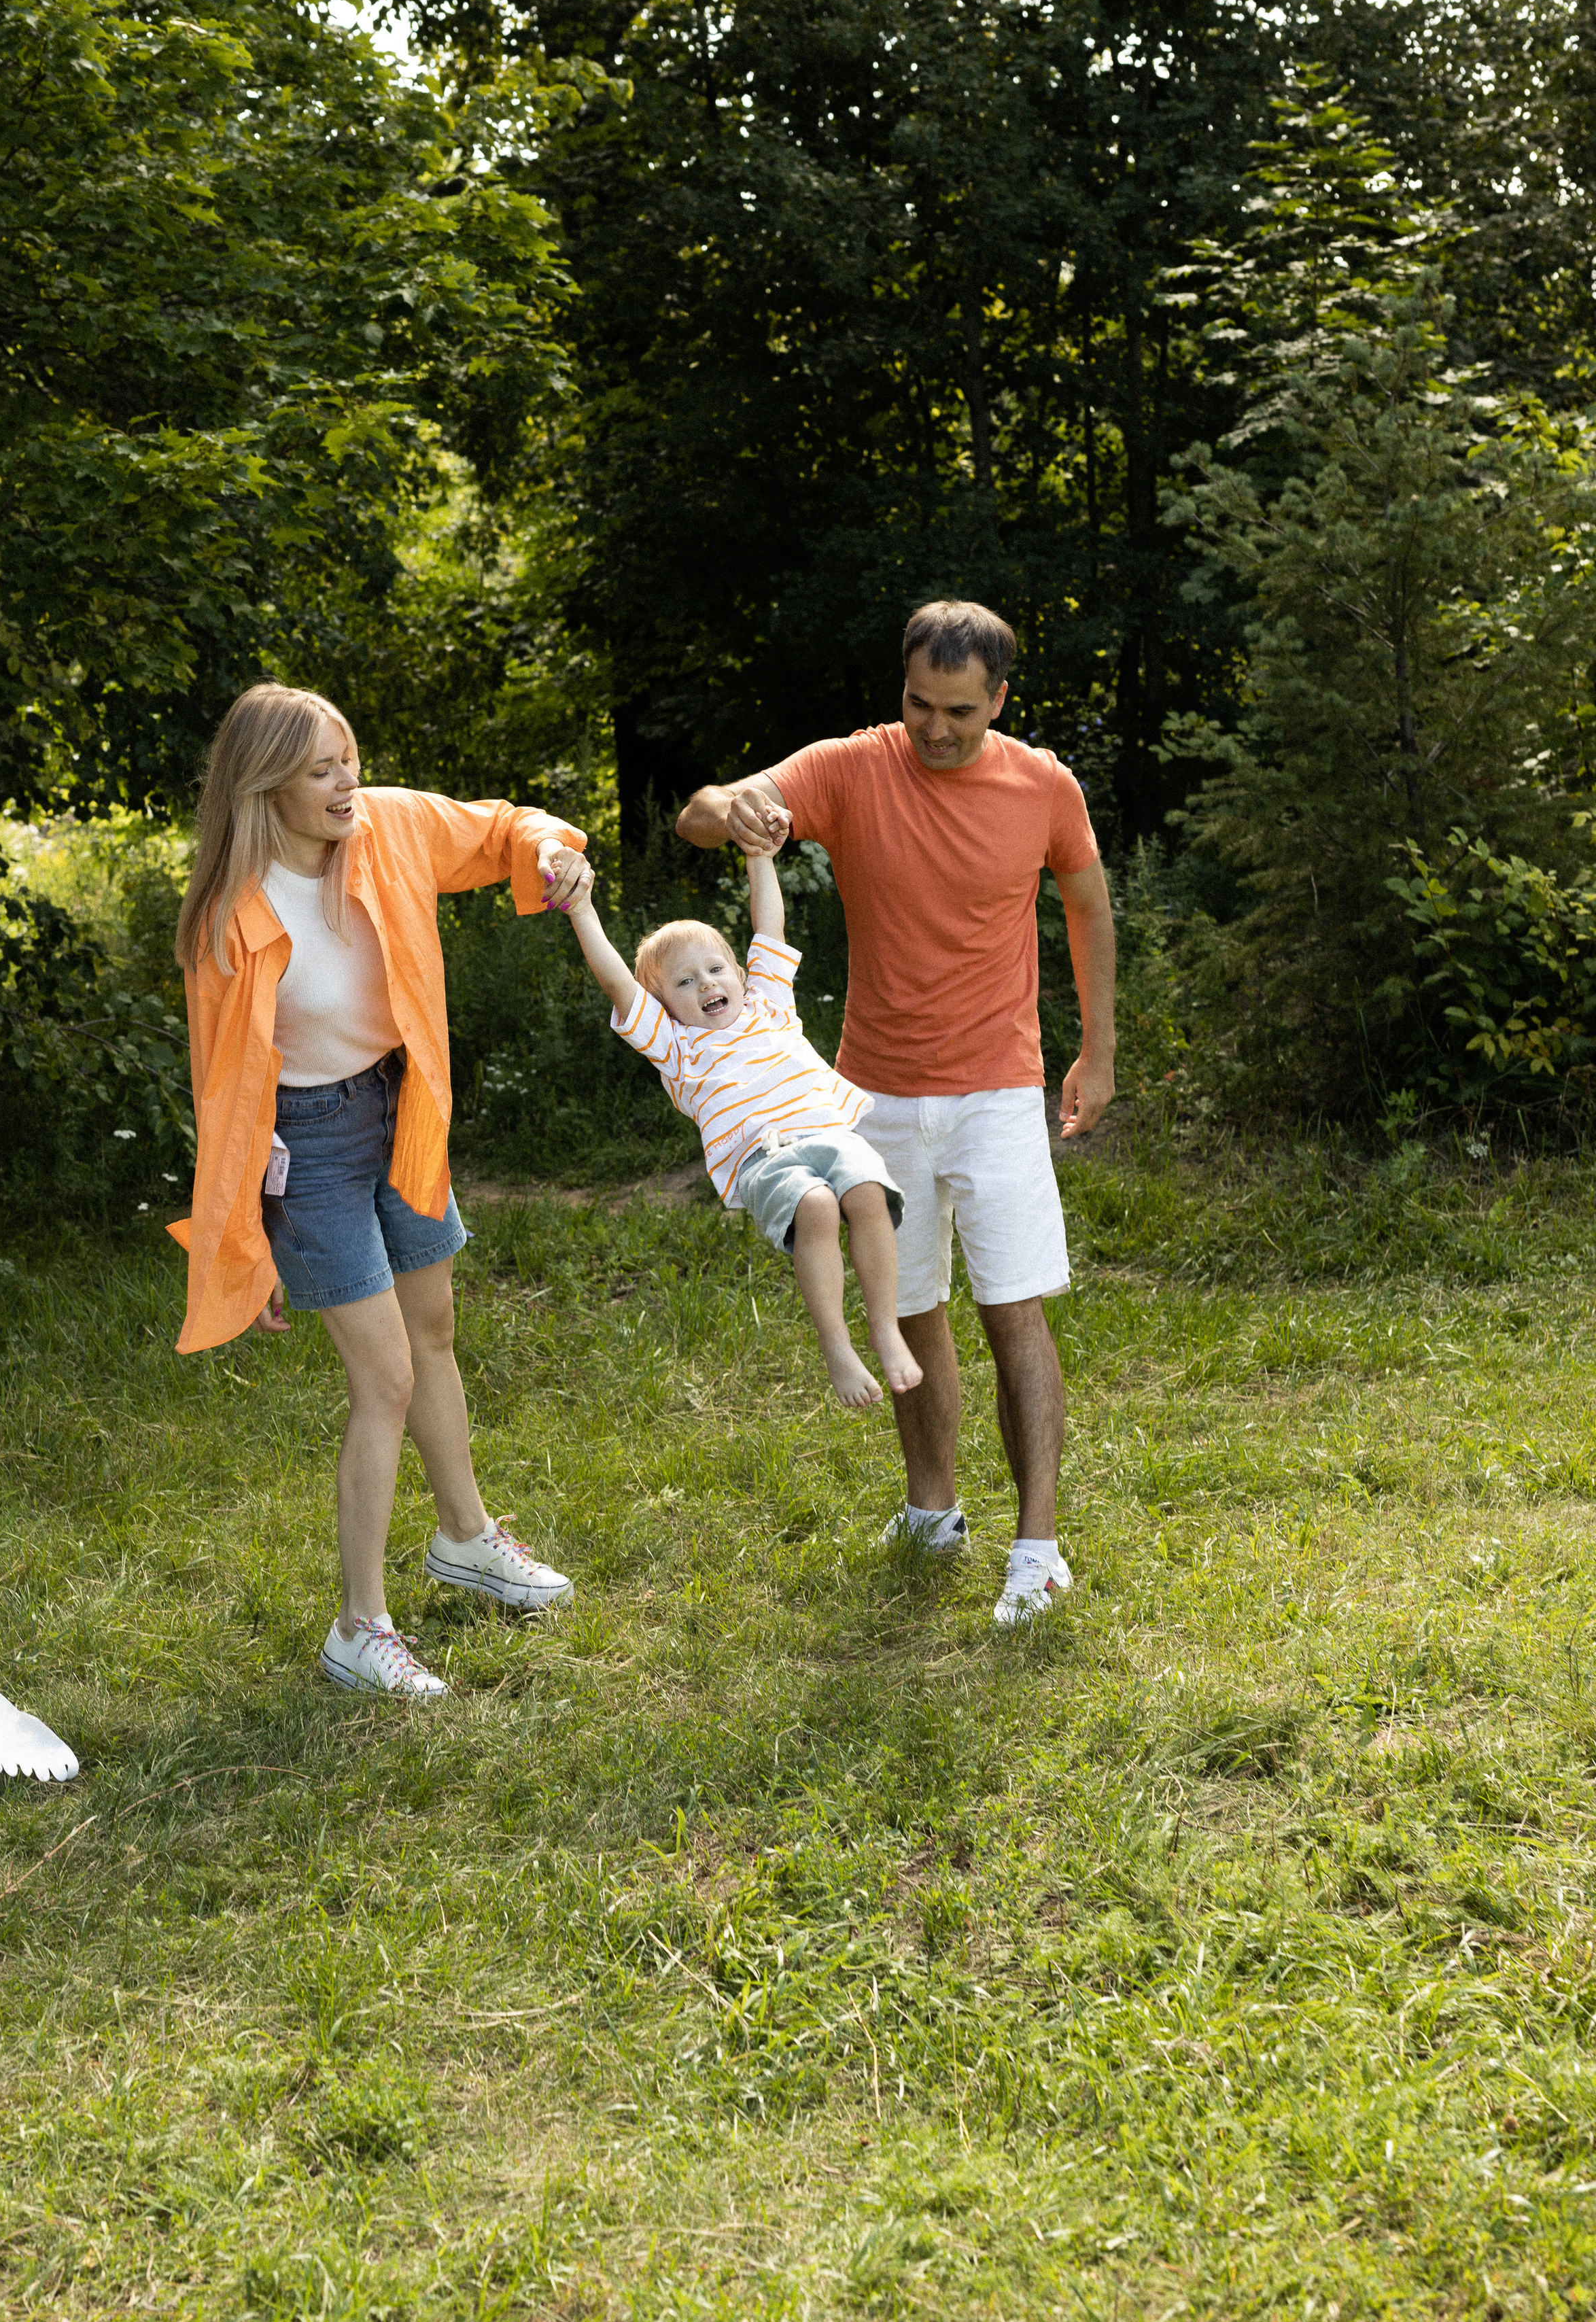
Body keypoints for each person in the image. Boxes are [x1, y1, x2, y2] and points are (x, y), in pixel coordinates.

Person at [676, 600, 1117, 1624]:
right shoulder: (852, 765)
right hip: (868, 1095)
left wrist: (1097, 1050)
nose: (935, 729)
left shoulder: (1043, 784)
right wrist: (730, 813)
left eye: (959, 710)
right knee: (910, 1308)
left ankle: (1039, 1547)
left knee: (1014, 1310)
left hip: (1000, 1089)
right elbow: (706, 809)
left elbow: (1087, 904)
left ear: (999, 699)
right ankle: (933, 1509)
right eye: (919, 704)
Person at [169, 680, 587, 1698]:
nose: (347, 781)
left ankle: (466, 1538)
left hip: (402, 1111)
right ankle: (359, 1626)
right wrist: (246, 1243)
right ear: (265, 786)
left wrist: (548, 848)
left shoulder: (390, 826)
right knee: (386, 1378)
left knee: (434, 1331)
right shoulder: (233, 915)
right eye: (322, 770)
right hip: (304, 1149)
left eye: (349, 756)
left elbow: (498, 830)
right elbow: (226, 1097)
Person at [564, 838, 921, 1408]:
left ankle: (885, 1328)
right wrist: (582, 910)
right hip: (766, 1157)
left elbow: (769, 927)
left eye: (714, 969)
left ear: (739, 972)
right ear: (663, 1006)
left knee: (867, 1189)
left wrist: (760, 855)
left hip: (829, 1132)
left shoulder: (769, 1005)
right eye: (685, 982)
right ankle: (837, 1347)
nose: (706, 985)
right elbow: (617, 983)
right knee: (818, 1207)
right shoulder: (676, 1046)